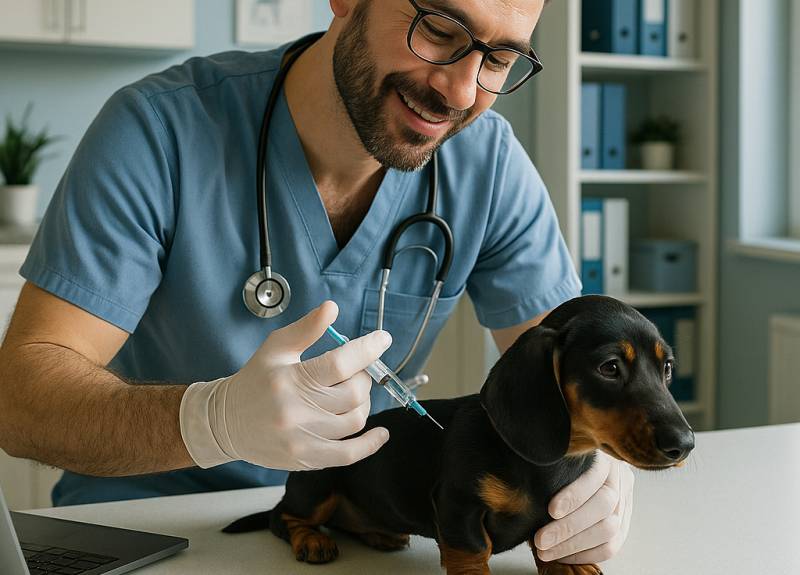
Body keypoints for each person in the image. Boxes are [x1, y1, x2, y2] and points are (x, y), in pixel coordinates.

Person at [0, 0, 634, 566]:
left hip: (357, 534)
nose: (462, 91)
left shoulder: (488, 166)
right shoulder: (158, 130)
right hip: (145, 533)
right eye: (440, 28)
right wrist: (209, 422)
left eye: (499, 59)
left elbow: (574, 359)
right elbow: (20, 403)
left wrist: (599, 472)